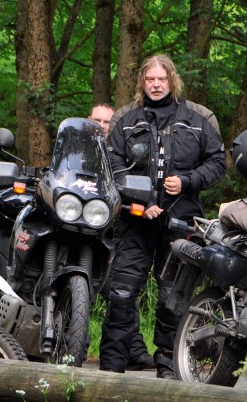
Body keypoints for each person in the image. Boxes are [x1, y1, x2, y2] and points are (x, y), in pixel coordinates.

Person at [99, 54, 227, 379]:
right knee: (122, 293)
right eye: (150, 79)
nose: (156, 85)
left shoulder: (200, 118)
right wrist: (140, 200)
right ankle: (110, 372)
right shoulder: (125, 118)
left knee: (174, 297)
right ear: (142, 82)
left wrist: (187, 181)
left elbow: (217, 163)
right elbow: (111, 165)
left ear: (172, 80)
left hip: (181, 222)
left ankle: (169, 369)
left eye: (162, 79)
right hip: (134, 220)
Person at [89, 103, 156, 371]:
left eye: (107, 122)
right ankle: (70, 342)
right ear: (88, 121)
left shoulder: (122, 153)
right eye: (97, 121)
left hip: (114, 231)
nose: (102, 127)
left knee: (121, 289)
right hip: (79, 228)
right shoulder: (77, 153)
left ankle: (134, 350)